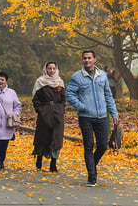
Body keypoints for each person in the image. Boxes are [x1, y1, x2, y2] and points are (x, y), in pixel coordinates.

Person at [66, 50, 119, 187]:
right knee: (88, 145)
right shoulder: (77, 77)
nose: (87, 60)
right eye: (84, 58)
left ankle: (92, 165)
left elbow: (108, 96)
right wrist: (81, 106)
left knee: (102, 145)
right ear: (82, 60)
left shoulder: (102, 76)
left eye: (89, 58)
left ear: (94, 59)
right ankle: (92, 176)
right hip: (86, 117)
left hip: (101, 116)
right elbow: (69, 94)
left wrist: (114, 114)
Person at [31, 62, 65, 172]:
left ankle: (53, 163)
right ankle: (39, 158)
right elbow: (35, 98)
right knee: (43, 136)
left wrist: (61, 109)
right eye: (49, 68)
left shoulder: (60, 82)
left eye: (54, 68)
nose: (51, 71)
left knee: (57, 138)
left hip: (57, 114)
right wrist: (40, 110)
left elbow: (63, 98)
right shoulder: (40, 81)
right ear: (46, 69)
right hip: (45, 113)